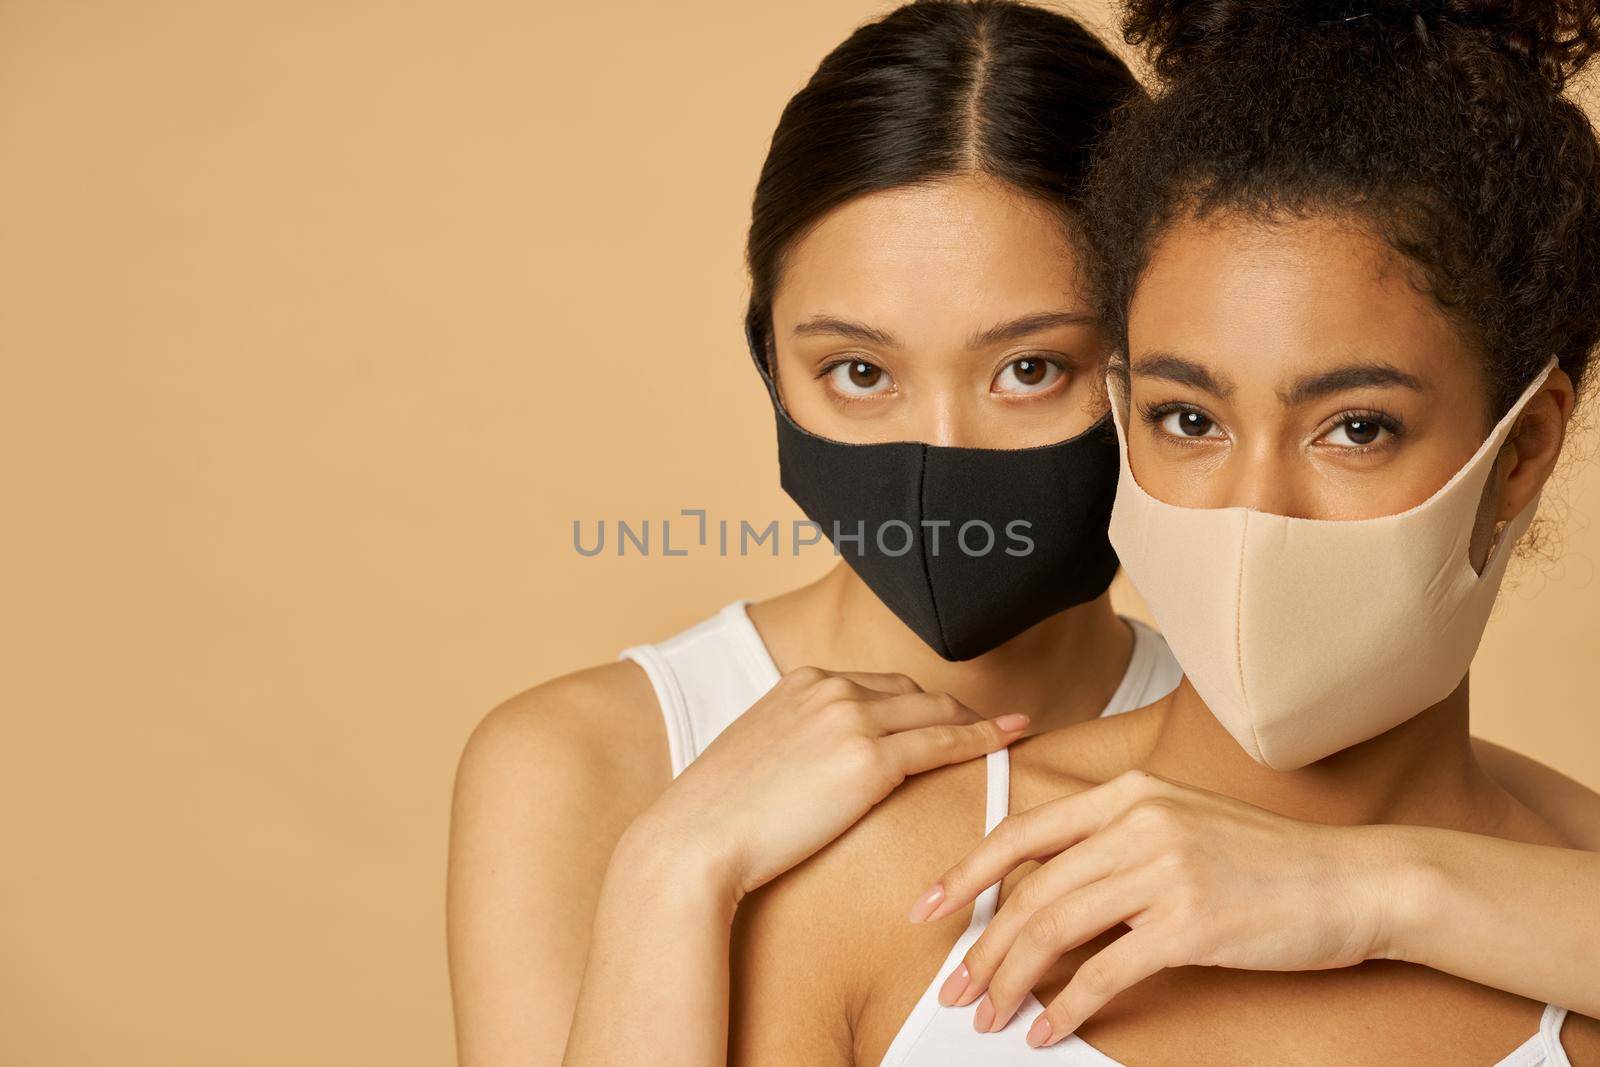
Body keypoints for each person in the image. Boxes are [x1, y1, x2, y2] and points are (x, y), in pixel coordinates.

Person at [445, 3, 1600, 1064]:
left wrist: (1379, 887)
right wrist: (671, 863)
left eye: (1028, 366)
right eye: (858, 368)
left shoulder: (1532, 861)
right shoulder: (814, 861)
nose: (1253, 514)